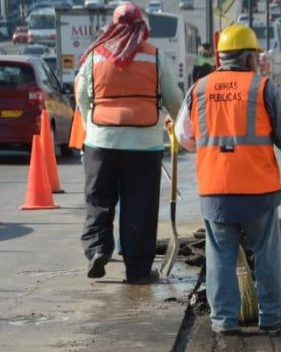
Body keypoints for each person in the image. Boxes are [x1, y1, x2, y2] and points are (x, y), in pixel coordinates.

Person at [175, 25, 281, 335]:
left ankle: (224, 320)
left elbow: (185, 138)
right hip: (258, 189)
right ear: (248, 58)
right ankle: (271, 316)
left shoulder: (199, 89)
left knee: (220, 257)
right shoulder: (262, 88)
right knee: (267, 255)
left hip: (216, 190)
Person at [77, 2, 183, 283]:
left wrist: (91, 129)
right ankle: (137, 270)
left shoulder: (95, 57)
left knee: (98, 201)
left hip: (101, 143)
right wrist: (181, 131)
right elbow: (173, 99)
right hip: (143, 146)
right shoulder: (155, 57)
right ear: (143, 28)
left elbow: (82, 95)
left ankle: (98, 249)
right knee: (140, 208)